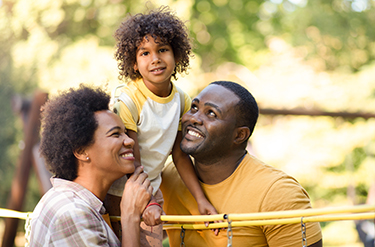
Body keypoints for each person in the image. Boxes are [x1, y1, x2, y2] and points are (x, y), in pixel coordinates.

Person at [160, 81, 323, 247]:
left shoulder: (278, 193)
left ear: (239, 135)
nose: (193, 118)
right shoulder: (170, 177)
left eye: (211, 113)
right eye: (194, 107)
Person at [105, 6, 218, 245]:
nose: (155, 58)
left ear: (176, 56)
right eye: (144, 53)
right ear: (134, 63)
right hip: (118, 189)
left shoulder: (182, 100)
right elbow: (130, 160)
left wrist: (200, 199)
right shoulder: (129, 100)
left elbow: (179, 154)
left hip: (150, 189)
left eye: (162, 50)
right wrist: (148, 202)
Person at [29, 85, 153, 246]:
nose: (129, 141)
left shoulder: (82, 205)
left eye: (126, 133)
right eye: (116, 134)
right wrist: (130, 216)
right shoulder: (73, 213)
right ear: (81, 151)